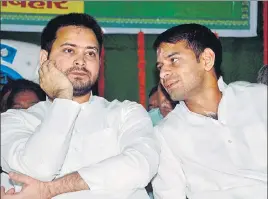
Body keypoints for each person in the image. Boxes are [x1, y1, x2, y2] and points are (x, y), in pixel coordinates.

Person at [1, 13, 159, 199]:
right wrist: (64, 99)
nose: (81, 61)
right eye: (69, 50)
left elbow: (140, 167)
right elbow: (40, 168)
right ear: (44, 58)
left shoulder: (126, 113)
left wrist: (50, 190)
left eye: (90, 53)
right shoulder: (13, 121)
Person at [152, 23, 267, 199]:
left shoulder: (259, 98)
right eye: (160, 67)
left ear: (206, 60)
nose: (163, 74)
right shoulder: (165, 134)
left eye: (173, 60)